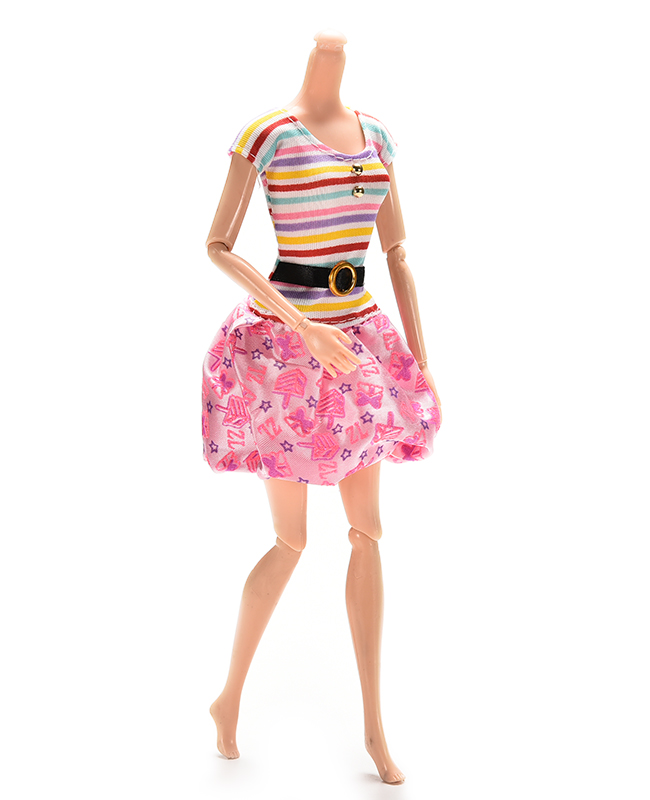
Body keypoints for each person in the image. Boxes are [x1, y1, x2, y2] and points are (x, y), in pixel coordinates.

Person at [203, 29, 441, 785]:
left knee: (368, 532)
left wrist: (421, 359)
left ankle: (374, 728)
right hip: (286, 353)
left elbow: (396, 254)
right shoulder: (268, 134)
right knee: (291, 539)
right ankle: (229, 698)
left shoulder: (378, 138)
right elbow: (217, 244)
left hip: (360, 341)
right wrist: (302, 325)